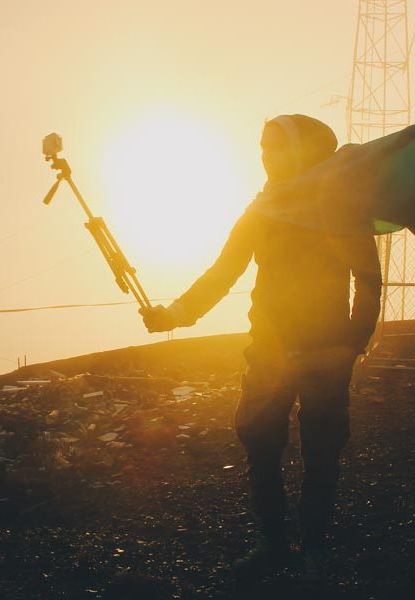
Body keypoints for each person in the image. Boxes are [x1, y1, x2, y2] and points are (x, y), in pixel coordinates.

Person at [139, 114, 382, 580]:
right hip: (270, 352)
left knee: (321, 450)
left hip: (324, 354)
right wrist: (172, 316)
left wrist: (352, 341)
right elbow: (221, 273)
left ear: (301, 152)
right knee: (262, 446)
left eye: (274, 147)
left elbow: (366, 279)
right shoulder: (264, 209)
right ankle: (276, 544)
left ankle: (310, 549)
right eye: (263, 146)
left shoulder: (338, 207)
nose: (264, 155)